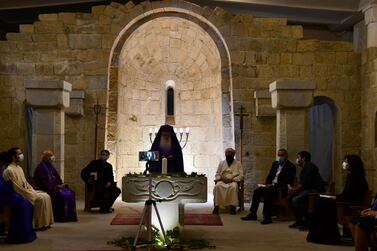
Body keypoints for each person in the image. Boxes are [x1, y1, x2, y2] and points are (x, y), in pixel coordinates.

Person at [2, 147, 53, 231]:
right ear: (13, 156)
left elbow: (26, 183)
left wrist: (32, 190)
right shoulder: (9, 170)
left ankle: (45, 223)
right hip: (18, 194)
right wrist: (31, 193)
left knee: (46, 196)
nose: (21, 155)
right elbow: (16, 187)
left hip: (26, 191)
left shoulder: (19, 168)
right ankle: (37, 224)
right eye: (19, 154)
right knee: (40, 198)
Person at [241, 148, 296, 224]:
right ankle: (252, 214)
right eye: (279, 155)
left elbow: (289, 181)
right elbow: (269, 176)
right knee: (257, 190)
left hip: (281, 188)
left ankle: (267, 216)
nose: (280, 157)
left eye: (282, 155)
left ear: (286, 156)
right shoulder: (275, 164)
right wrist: (267, 184)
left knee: (268, 192)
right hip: (271, 186)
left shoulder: (291, 166)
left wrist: (273, 185)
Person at [0, 151, 36, 243]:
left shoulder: (4, 168)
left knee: (27, 203)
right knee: (21, 206)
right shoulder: (7, 169)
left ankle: (26, 234)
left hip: (6, 193)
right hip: (3, 195)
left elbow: (6, 184)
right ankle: (17, 235)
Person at [34, 150, 77, 222]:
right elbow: (44, 182)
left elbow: (57, 177)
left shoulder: (51, 167)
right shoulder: (40, 168)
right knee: (61, 196)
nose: (52, 157)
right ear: (45, 157)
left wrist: (60, 184)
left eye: (52, 155)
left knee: (71, 193)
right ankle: (60, 217)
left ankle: (70, 216)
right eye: (50, 156)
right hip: (48, 189)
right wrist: (56, 187)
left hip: (55, 187)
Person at [288, 150, 325, 229]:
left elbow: (305, 183)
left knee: (296, 200)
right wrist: (294, 190)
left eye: (298, 157)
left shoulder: (309, 166)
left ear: (303, 158)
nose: (297, 160)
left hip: (314, 190)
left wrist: (295, 190)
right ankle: (299, 220)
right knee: (290, 198)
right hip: (308, 189)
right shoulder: (305, 166)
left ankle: (307, 222)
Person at [213, 148, 243, 215]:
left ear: (233, 156)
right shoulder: (221, 163)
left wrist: (232, 179)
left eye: (230, 155)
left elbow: (241, 175)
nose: (229, 157)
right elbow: (217, 174)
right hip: (223, 180)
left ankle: (233, 206)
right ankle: (217, 206)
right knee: (218, 186)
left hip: (233, 181)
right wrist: (222, 179)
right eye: (227, 155)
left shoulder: (238, 163)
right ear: (225, 155)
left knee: (233, 187)